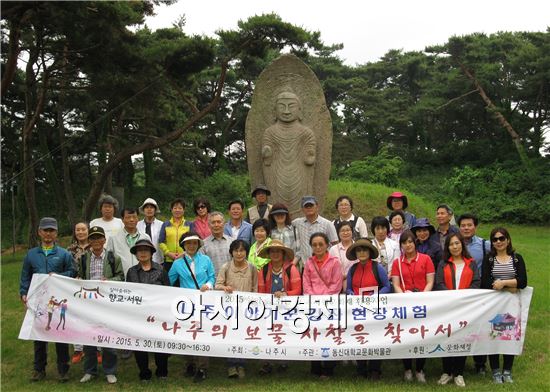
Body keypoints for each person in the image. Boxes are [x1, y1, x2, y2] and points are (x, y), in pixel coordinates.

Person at [19, 217, 75, 382]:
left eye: (52, 231)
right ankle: (38, 369)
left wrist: (58, 276)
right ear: (39, 232)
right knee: (39, 335)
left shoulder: (64, 254)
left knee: (60, 334)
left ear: (56, 233)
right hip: (38, 300)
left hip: (58, 300)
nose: (48, 234)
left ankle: (63, 370)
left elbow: (72, 272)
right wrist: (23, 293)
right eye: (45, 230)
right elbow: (25, 277)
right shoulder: (31, 255)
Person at [481, 227, 527, 384]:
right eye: (495, 239)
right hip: (494, 305)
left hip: (512, 305)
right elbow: (485, 282)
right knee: (494, 335)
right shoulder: (489, 259)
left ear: (508, 240)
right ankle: (495, 371)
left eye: (501, 238)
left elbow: (523, 281)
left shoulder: (516, 259)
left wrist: (503, 283)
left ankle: (507, 371)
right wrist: (511, 287)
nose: (499, 242)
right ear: (492, 242)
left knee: (510, 336)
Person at [78, 226, 123, 384]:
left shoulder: (113, 258)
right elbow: (81, 277)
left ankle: (109, 371)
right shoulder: (84, 259)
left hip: (106, 304)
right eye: (93, 238)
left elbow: (121, 277)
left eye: (99, 238)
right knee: (89, 337)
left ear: (104, 240)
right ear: (89, 241)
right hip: (89, 303)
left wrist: (109, 281)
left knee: (108, 337)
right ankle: (90, 371)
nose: (96, 241)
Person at [169, 232, 215, 383]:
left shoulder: (206, 259)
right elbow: (169, 280)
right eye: (188, 243)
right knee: (187, 333)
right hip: (186, 304)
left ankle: (202, 367)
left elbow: (212, 277)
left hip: (203, 301)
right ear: (184, 245)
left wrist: (208, 285)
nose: (191, 246)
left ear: (198, 244)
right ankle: (189, 363)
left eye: (194, 243)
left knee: (202, 334)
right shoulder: (177, 263)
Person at [435, 233, 480, 388]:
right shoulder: (443, 263)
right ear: (447, 247)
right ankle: (447, 372)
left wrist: (463, 298)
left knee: (462, 339)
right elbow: (439, 283)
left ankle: (459, 373)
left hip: (466, 308)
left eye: (457, 243)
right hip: (447, 308)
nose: (454, 247)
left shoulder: (471, 263)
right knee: (446, 338)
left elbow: (476, 282)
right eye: (451, 244)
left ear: (462, 244)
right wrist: (451, 297)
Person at [262, 91, 316, 216]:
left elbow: (310, 157)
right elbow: (267, 158)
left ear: (299, 110)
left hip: (299, 172)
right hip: (277, 172)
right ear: (275, 110)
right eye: (282, 106)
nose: (286, 111)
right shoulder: (270, 132)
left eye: (291, 106)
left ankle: (302, 216)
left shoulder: (306, 132)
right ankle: (276, 217)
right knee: (276, 196)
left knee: (301, 196)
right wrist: (267, 153)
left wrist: (309, 155)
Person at [391, 230, 435, 383]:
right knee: (405, 336)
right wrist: (403, 297)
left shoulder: (426, 259)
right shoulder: (397, 262)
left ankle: (420, 369)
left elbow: (430, 281)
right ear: (401, 245)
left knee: (422, 336)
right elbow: (395, 284)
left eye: (410, 241)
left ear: (414, 242)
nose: (407, 245)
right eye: (404, 242)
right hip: (404, 304)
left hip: (423, 303)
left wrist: (422, 295)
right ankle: (407, 369)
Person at [345, 238, 391, 380]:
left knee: (375, 338)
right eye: (359, 250)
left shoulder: (378, 268)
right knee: (359, 338)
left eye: (364, 249)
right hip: (358, 311)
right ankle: (361, 369)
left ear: (369, 252)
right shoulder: (352, 269)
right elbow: (348, 289)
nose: (362, 252)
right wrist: (351, 294)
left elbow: (387, 286)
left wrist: (375, 296)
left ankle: (375, 369)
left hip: (374, 310)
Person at [126, 238, 170, 381]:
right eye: (140, 251)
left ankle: (162, 372)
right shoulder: (131, 272)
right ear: (136, 254)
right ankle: (144, 373)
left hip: (158, 314)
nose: (143, 253)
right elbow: (128, 293)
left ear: (151, 253)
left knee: (159, 343)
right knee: (139, 344)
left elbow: (168, 291)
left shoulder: (161, 269)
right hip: (138, 315)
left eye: (146, 250)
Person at [257, 239, 302, 375]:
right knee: (267, 335)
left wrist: (285, 294)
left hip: (287, 309)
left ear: (283, 253)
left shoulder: (291, 269)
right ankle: (266, 363)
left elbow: (298, 290)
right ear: (269, 253)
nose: (275, 254)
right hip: (269, 309)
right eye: (272, 251)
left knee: (284, 334)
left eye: (278, 251)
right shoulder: (264, 270)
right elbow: (261, 291)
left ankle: (283, 361)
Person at [215, 240, 258, 378]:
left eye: (242, 250)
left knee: (243, 336)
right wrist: (224, 287)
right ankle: (232, 365)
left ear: (246, 252)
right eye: (236, 250)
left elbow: (255, 288)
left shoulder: (252, 268)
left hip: (246, 308)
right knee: (232, 336)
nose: (239, 253)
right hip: (230, 309)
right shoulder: (226, 267)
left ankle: (242, 364)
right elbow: (218, 284)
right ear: (231, 252)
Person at [302, 232, 342, 379]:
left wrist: (324, 300)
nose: (318, 247)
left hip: (329, 305)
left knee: (328, 335)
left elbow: (336, 285)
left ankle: (328, 369)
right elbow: (306, 283)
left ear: (327, 245)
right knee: (314, 335)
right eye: (314, 245)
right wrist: (313, 299)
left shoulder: (335, 262)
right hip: (312, 305)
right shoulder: (308, 263)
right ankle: (315, 367)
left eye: (321, 244)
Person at [457, 213, 490, 375]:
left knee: (479, 326)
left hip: (479, 292)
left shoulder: (485, 245)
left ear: (475, 226)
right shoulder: (455, 244)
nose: (466, 228)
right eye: (463, 225)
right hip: (459, 292)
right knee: (461, 326)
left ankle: (480, 363)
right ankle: (458, 362)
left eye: (469, 225)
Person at [292, 196, 338, 270]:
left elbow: (335, 244)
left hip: (324, 266)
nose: (309, 208)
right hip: (306, 266)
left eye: (311, 205)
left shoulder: (327, 224)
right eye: (306, 206)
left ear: (317, 207)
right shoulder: (297, 223)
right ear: (302, 209)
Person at [66, 221, 89, 364]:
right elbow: (67, 267)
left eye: (83, 229)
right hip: (74, 287)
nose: (80, 232)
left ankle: (95, 348)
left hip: (92, 287)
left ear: (88, 230)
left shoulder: (95, 246)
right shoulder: (69, 250)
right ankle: (78, 348)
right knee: (76, 317)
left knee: (92, 316)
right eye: (78, 230)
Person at [106, 207, 151, 276]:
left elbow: (150, 258)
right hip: (121, 278)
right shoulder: (113, 238)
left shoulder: (145, 237)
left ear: (138, 219)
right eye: (128, 217)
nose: (131, 220)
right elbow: (108, 260)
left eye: (134, 217)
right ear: (122, 219)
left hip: (142, 278)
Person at [158, 198, 192, 272]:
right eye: (175, 208)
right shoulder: (165, 224)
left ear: (184, 210)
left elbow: (192, 242)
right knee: (169, 281)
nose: (177, 210)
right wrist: (168, 253)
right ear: (171, 209)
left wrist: (184, 253)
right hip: (169, 260)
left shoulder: (189, 224)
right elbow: (161, 241)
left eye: (180, 208)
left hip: (185, 259)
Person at [329, 221, 357, 293]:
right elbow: (329, 268)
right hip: (336, 284)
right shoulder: (333, 249)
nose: (345, 233)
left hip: (357, 282)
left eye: (348, 230)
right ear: (338, 233)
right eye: (342, 231)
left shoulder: (358, 247)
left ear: (352, 231)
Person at [137, 198, 164, 265]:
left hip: (158, 260)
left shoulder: (161, 225)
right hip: (140, 260)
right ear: (143, 210)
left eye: (151, 207)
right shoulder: (137, 225)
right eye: (147, 207)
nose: (149, 209)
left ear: (155, 210)